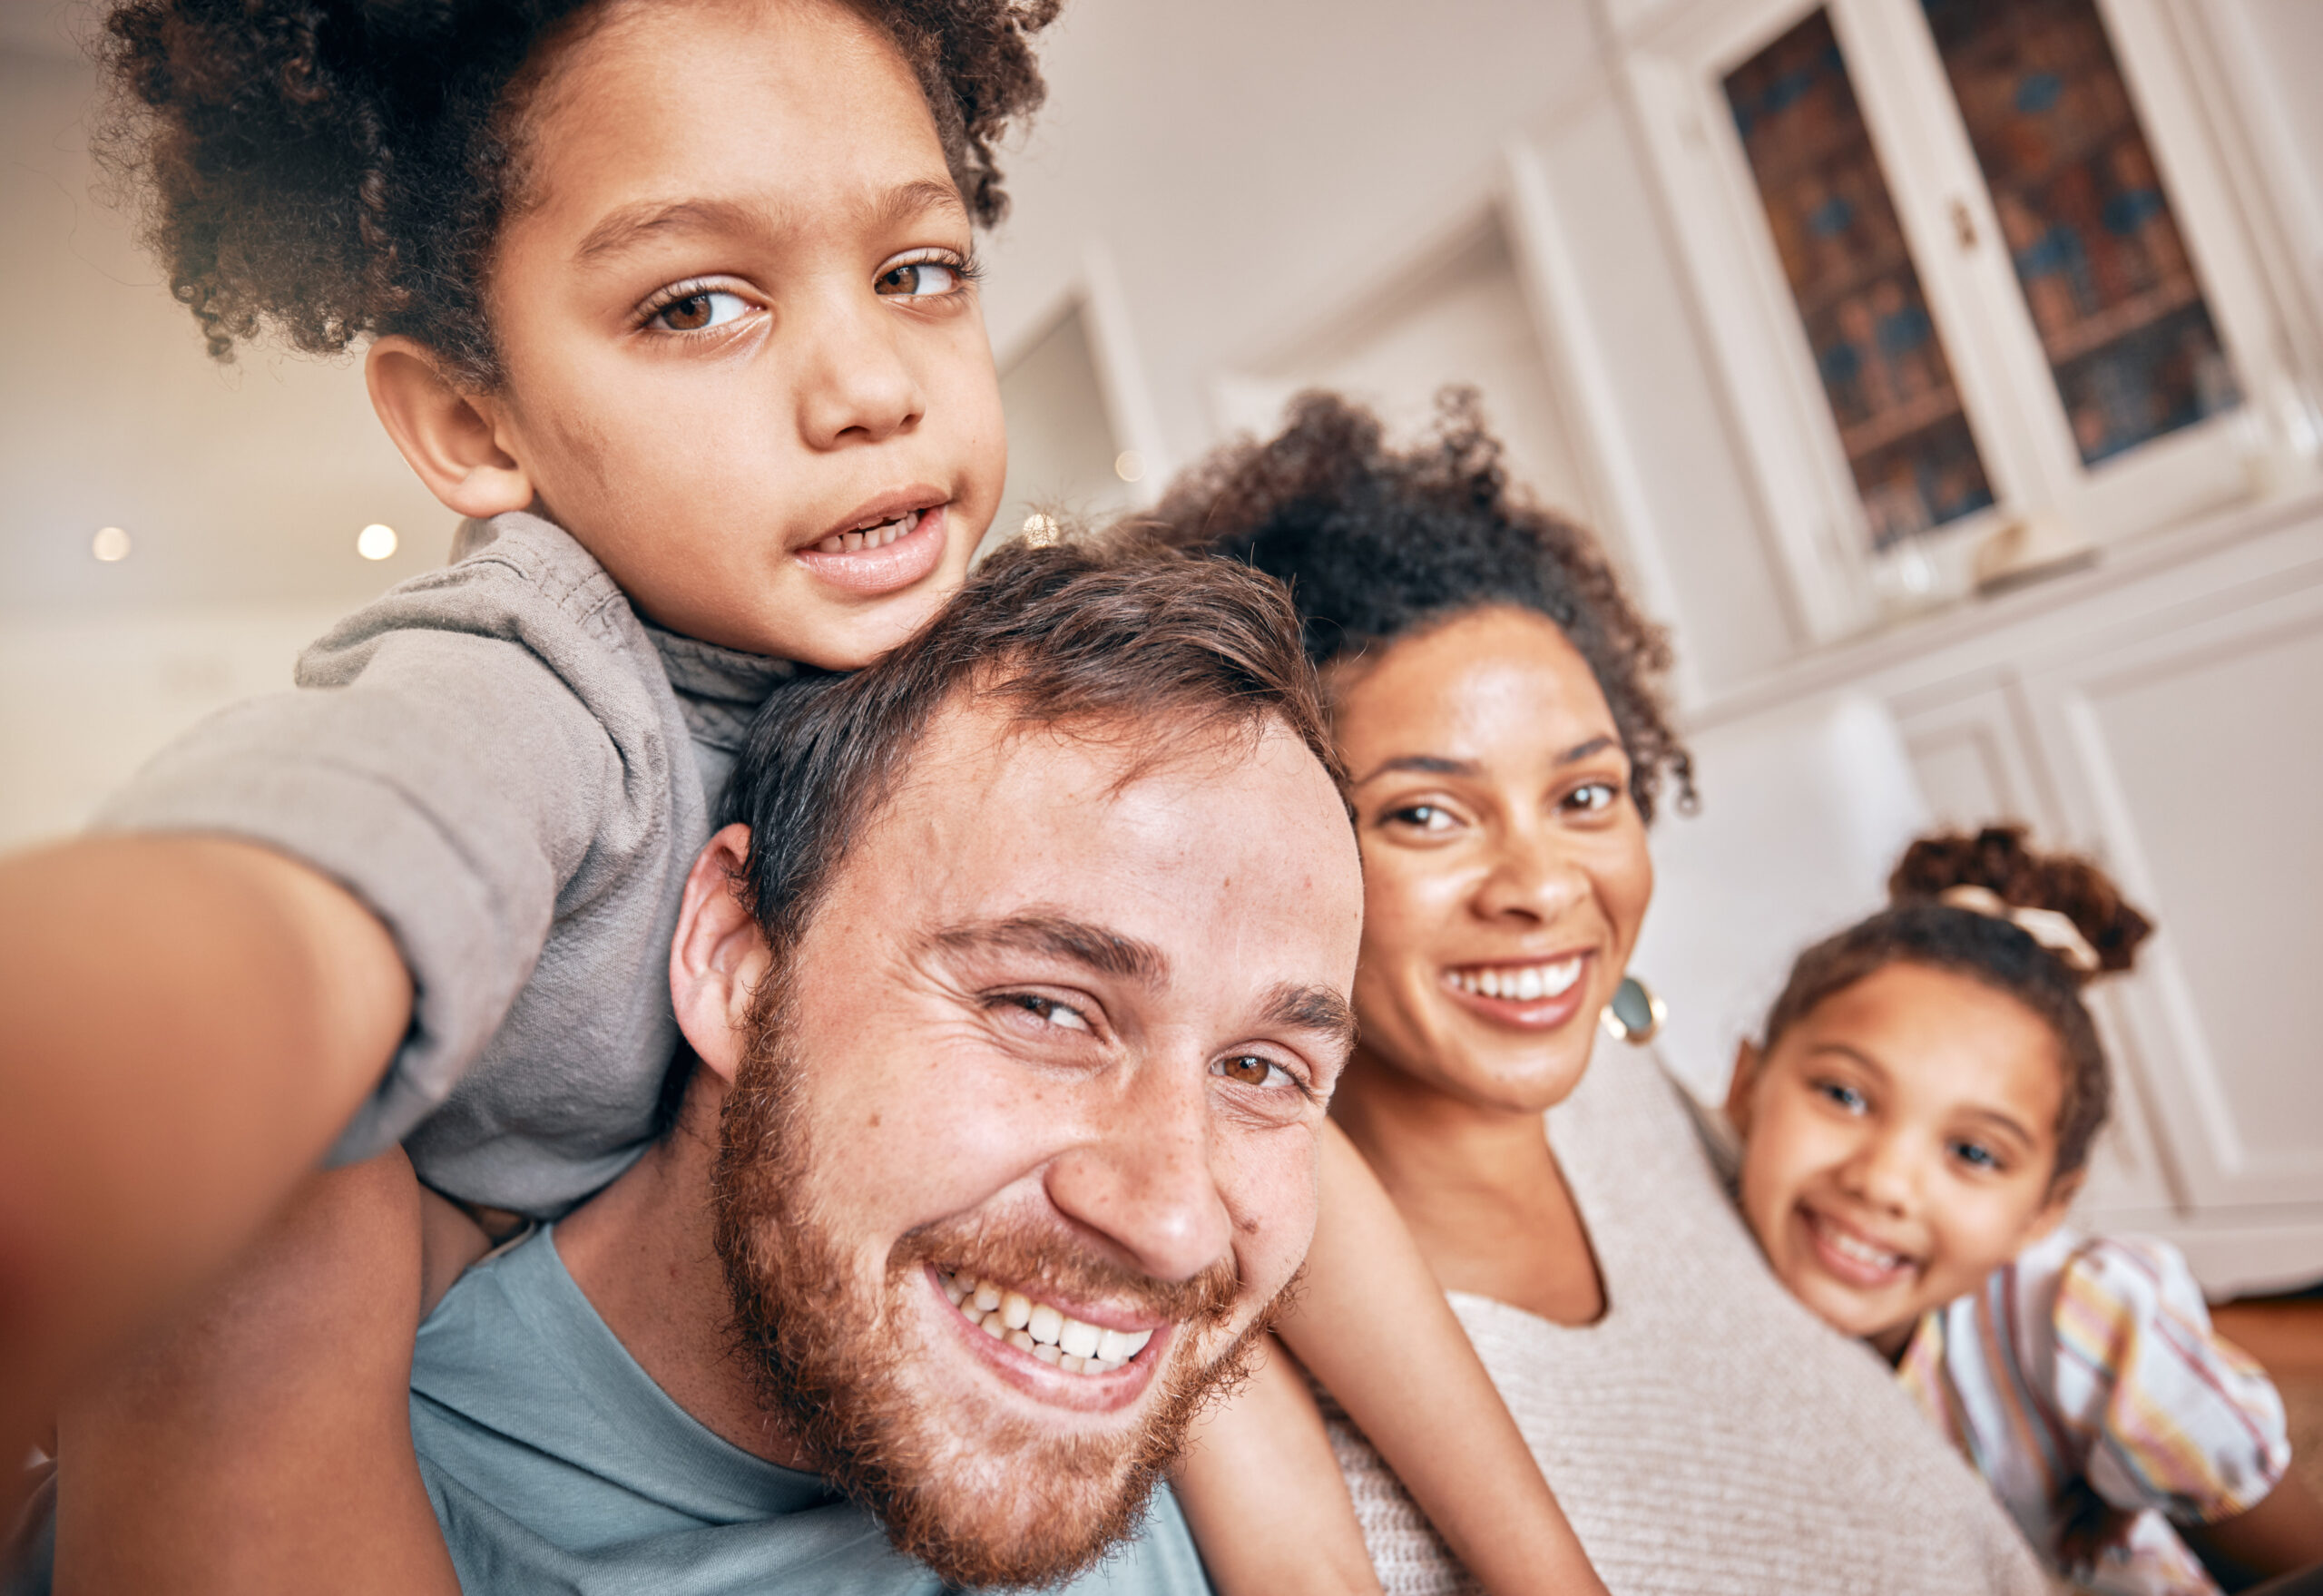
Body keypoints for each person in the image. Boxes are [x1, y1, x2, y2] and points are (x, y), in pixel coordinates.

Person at [0, 0, 1054, 1484]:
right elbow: (319, 863)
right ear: (475, 423)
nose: (875, 386)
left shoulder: (976, 670)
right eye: (697, 304)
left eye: (917, 271)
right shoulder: (543, 678)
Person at [26, 537, 1367, 1593]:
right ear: (735, 952)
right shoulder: (277, 1480)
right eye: (1044, 1004)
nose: (1173, 1214)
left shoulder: (1188, 1427)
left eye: (1260, 1067)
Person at [1159, 391, 2053, 1593]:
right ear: (1271, 847)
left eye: (1586, 795)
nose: (1542, 886)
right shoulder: (1238, 1326)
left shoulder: (1635, 1094)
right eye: (1427, 812)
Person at [1724, 826, 2323, 1595]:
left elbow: (2297, 1566)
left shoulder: (2088, 1322)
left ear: (2045, 1208)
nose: (1883, 1183)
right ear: (1745, 1087)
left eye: (1974, 1153)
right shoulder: (1702, 1262)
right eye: (1844, 1095)